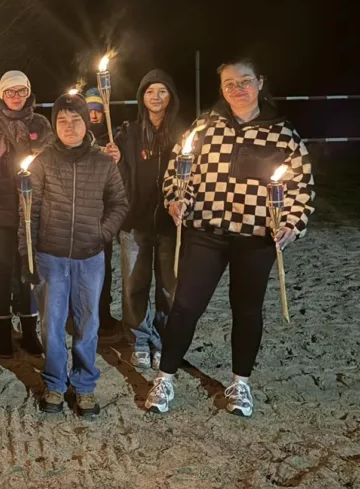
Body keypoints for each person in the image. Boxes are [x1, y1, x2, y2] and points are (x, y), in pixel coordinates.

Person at [146, 58, 314, 417]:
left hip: (255, 237)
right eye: (229, 84)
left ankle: (240, 383)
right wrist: (176, 200)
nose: (238, 89)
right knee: (186, 306)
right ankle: (165, 376)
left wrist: (292, 223)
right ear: (221, 89)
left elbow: (301, 187)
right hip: (206, 232)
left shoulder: (283, 133)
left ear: (260, 82)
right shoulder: (205, 127)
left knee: (247, 310)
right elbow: (179, 169)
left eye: (245, 81)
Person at [21, 91, 128, 417]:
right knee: (51, 325)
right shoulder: (42, 163)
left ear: (86, 123)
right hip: (50, 257)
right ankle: (55, 383)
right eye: (62, 121)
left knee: (87, 324)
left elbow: (119, 203)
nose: (69, 126)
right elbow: (28, 215)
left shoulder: (102, 162)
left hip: (89, 257)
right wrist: (26, 256)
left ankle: (84, 386)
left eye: (76, 119)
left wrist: (101, 233)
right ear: (55, 124)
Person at [0, 71, 52, 358]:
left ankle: (29, 331)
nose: (16, 97)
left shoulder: (40, 124)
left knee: (28, 270)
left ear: (28, 92)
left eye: (21, 91)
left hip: (31, 208)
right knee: (3, 270)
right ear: (2, 94)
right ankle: (5, 332)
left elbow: (53, 161)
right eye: (10, 91)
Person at [115, 71, 185, 371]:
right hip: (136, 221)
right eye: (149, 92)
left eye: (162, 91)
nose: (156, 97)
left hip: (172, 224)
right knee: (134, 284)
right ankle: (139, 338)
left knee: (170, 286)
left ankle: (162, 338)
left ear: (172, 96)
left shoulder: (184, 133)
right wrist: (113, 157)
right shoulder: (128, 133)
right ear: (141, 97)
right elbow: (117, 173)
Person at [84, 87, 122, 340]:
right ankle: (83, 314)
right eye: (90, 110)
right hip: (82, 212)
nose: (94, 115)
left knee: (104, 266)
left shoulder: (113, 137)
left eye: (98, 110)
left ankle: (103, 312)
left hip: (104, 212)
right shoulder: (78, 137)